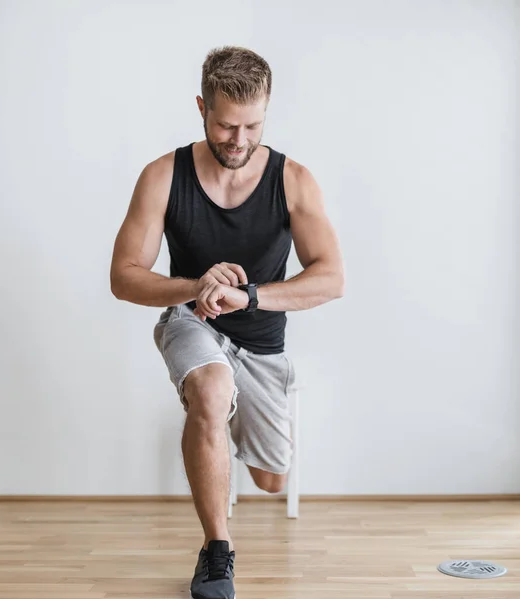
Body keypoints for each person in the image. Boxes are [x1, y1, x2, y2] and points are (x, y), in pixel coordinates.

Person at [110, 45, 345, 599]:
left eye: (252, 126)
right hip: (191, 318)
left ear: (266, 111)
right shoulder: (163, 175)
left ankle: (219, 421)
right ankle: (217, 554)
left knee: (270, 480)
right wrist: (199, 288)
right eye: (224, 125)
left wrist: (250, 297)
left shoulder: (294, 180)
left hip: (261, 336)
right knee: (212, 390)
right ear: (201, 108)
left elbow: (331, 279)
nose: (238, 141)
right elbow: (124, 276)